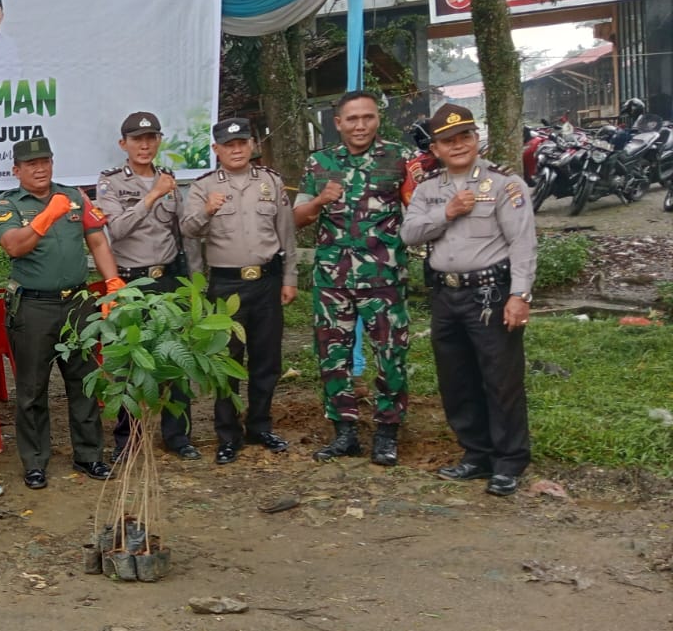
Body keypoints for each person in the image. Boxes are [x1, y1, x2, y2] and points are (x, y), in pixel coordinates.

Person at [400, 103, 537, 497]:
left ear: (477, 139)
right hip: (445, 294)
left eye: (465, 136)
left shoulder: (503, 184)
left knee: (501, 379)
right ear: (437, 149)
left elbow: (523, 244)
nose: (458, 145)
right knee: (456, 380)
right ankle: (476, 455)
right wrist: (447, 212)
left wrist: (520, 295)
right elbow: (410, 234)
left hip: (490, 294)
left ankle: (509, 461)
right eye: (448, 140)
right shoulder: (428, 190)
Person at [0, 135, 122, 489]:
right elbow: (14, 246)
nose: (40, 168)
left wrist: (112, 283)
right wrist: (46, 217)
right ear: (17, 170)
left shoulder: (74, 196)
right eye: (31, 164)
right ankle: (35, 462)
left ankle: (90, 455)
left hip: (78, 303)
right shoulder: (9, 204)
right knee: (32, 388)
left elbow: (97, 239)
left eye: (45, 161)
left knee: (83, 381)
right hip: (34, 306)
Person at [294, 91, 415, 466]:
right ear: (338, 123)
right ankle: (344, 432)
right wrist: (320, 201)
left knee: (390, 355)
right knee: (333, 356)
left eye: (368, 117)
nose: (360, 125)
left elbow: (420, 208)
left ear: (377, 119)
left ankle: (387, 432)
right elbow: (297, 218)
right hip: (333, 279)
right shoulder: (319, 163)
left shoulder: (399, 159)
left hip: (384, 276)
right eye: (352, 119)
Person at [180, 118, 297, 465]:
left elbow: (286, 233)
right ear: (216, 149)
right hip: (225, 285)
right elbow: (187, 231)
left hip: (266, 281)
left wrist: (290, 277)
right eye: (228, 145)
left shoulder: (270, 182)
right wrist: (206, 210)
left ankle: (260, 426)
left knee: (266, 360)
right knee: (226, 362)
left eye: (242, 143)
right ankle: (228, 435)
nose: (236, 149)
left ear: (252, 145)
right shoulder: (202, 188)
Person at [95, 112, 197, 461]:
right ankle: (128, 439)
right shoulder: (110, 183)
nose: (145, 144)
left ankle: (178, 436)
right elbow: (117, 230)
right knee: (130, 363)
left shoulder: (169, 181)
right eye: (137, 139)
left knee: (176, 359)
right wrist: (152, 196)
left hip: (167, 278)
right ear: (123, 144)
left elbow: (182, 232)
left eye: (151, 138)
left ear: (159, 141)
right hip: (131, 282)